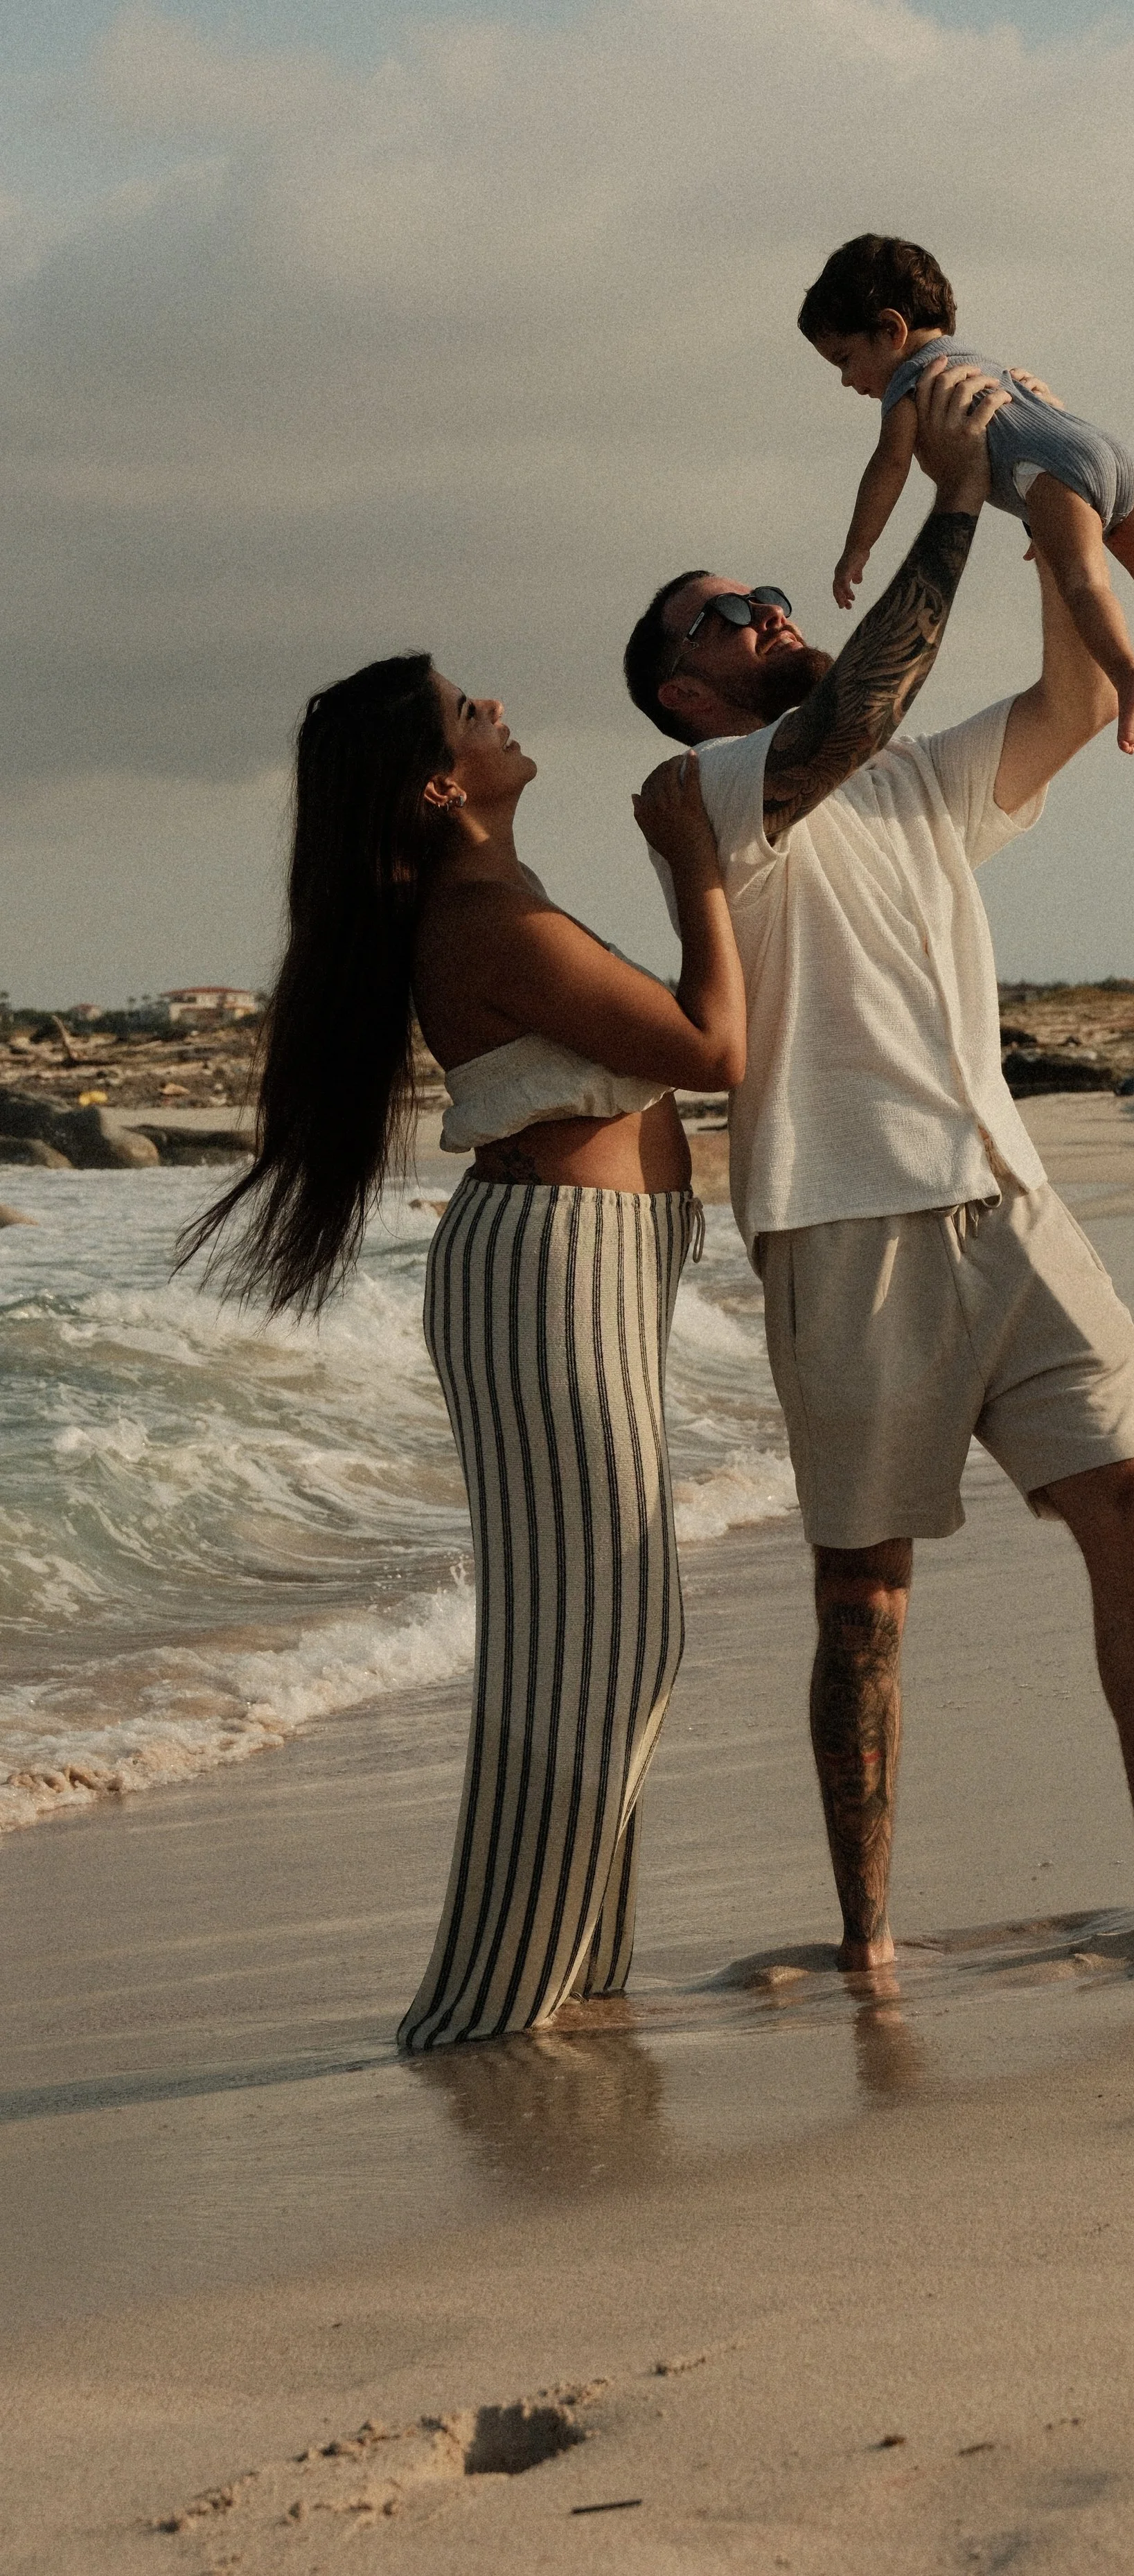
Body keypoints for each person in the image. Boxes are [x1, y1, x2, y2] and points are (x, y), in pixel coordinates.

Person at [622, 359, 1134, 1966]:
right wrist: (952, 498)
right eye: (730, 617)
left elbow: (1060, 700)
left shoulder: (919, 782)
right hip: (840, 1228)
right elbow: (855, 710)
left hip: (1009, 1192)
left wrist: (1054, 476)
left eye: (771, 595)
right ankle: (870, 1939)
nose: (772, 614)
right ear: (681, 693)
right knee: (866, 1595)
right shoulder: (696, 792)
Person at [181, 654, 744, 2047]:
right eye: (461, 709)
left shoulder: (487, 899)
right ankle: (483, 2010)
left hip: (575, 1267)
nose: (493, 705)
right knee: (605, 1641)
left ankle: (571, 1982)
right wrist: (695, 866)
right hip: (552, 1272)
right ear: (441, 783)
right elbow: (711, 1046)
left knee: (593, 1638)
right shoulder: (485, 913)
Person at [799, 232, 1134, 753]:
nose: (846, 381)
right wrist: (1038, 518)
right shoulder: (980, 362)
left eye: (844, 359)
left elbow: (888, 466)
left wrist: (857, 547)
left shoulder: (913, 383)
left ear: (890, 329)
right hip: (1101, 446)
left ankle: (1129, 675)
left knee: (1085, 583)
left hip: (1051, 472)